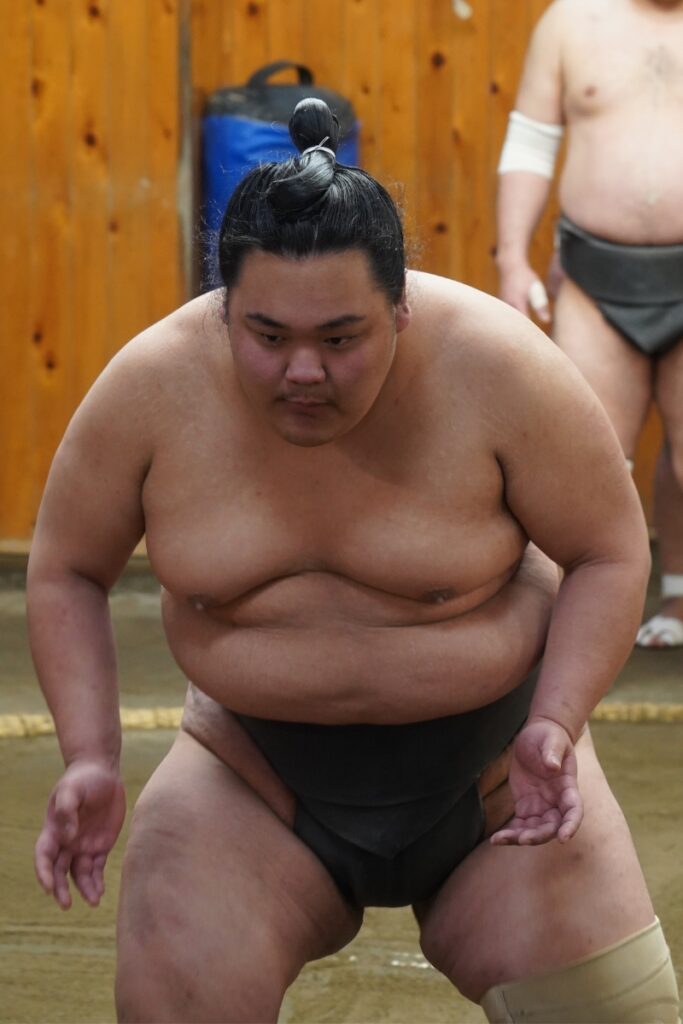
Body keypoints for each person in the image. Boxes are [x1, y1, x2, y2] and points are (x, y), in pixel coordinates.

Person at [28, 98, 679, 1024]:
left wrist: (556, 720)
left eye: (340, 339)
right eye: (267, 337)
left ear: (400, 307)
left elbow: (607, 549)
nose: (303, 371)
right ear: (225, 309)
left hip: (501, 780)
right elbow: (66, 567)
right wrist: (90, 756)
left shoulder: (499, 366)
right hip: (250, 781)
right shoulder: (151, 388)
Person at [496, 0, 683, 648]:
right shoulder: (570, 21)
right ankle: (560, 632)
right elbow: (530, 141)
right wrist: (512, 257)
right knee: (586, 462)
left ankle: (678, 597)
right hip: (593, 278)